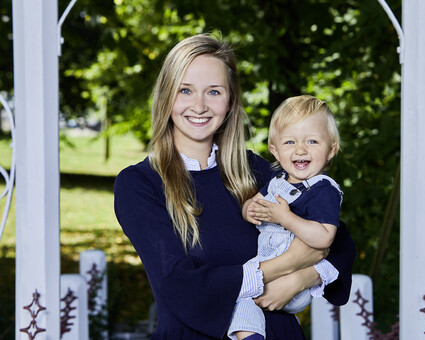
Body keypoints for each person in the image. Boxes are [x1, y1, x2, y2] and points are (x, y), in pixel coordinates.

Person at [114, 33, 356, 340]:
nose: (199, 106)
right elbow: (181, 285)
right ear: (166, 97)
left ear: (230, 102)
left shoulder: (256, 171)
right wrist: (289, 263)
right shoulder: (140, 184)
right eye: (185, 90)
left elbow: (338, 238)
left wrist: (300, 279)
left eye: (214, 92)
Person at [228, 95, 344, 340]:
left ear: (331, 149)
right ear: (275, 151)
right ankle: (251, 336)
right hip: (269, 266)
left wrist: (286, 218)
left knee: (236, 291)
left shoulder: (323, 190)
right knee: (239, 296)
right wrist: (248, 208)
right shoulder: (277, 180)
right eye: (290, 142)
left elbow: (324, 238)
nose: (300, 149)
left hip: (292, 282)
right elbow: (256, 202)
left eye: (312, 141)